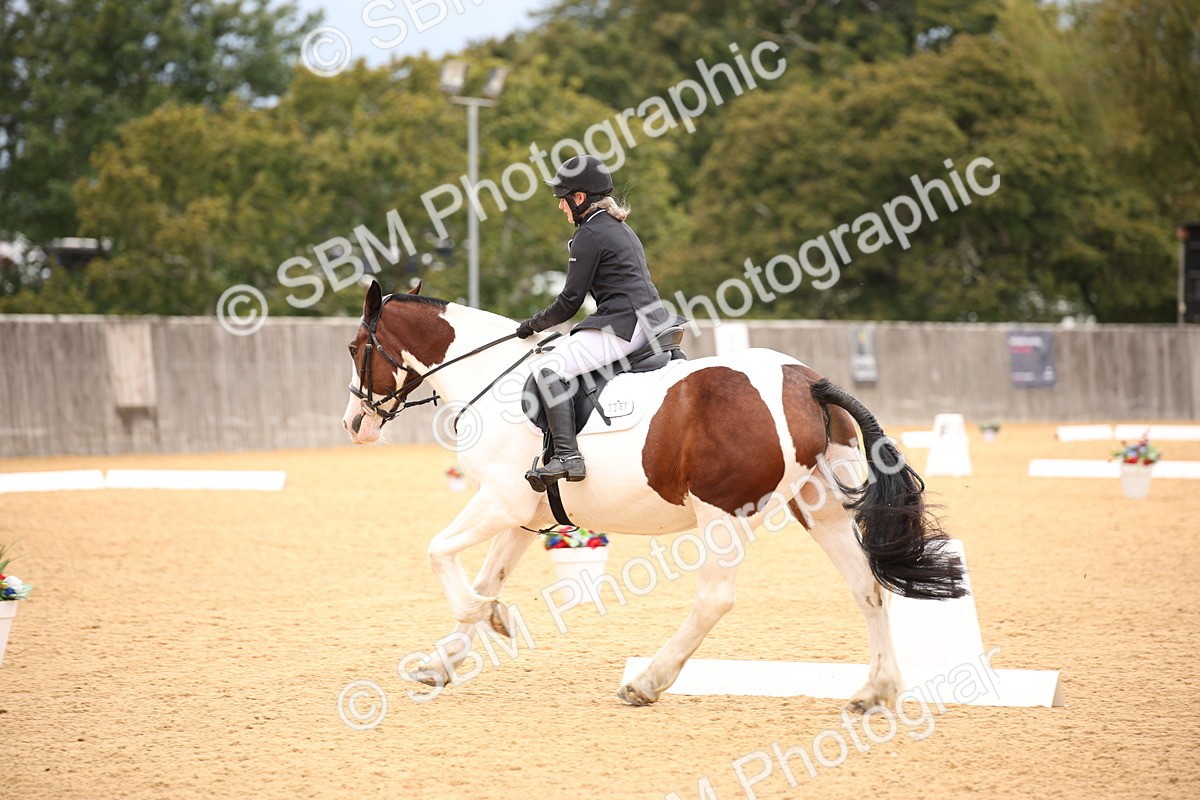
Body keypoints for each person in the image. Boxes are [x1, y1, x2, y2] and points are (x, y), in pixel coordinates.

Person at [516, 154, 670, 492]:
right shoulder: (618, 227)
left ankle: (568, 456)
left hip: (623, 325)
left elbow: (569, 303)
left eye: (563, 199)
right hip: (652, 322)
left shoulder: (590, 234)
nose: (561, 207)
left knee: (549, 370)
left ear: (579, 197)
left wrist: (532, 325)